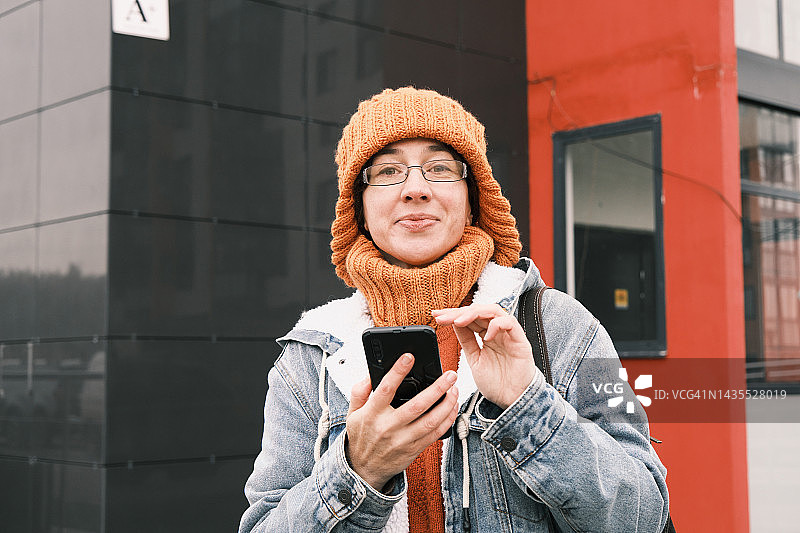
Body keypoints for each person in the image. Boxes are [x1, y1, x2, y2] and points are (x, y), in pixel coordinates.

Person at [239, 87, 670, 532]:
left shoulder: (564, 327)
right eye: (387, 171)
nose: (415, 189)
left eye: (440, 167)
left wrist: (530, 407)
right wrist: (356, 470)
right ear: (360, 210)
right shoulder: (309, 360)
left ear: (473, 200)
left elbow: (645, 514)